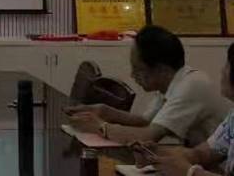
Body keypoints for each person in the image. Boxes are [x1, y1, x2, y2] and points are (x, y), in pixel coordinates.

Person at [66, 25, 231, 146]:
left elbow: (147, 136)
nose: (132, 75)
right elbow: (145, 121)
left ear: (161, 69)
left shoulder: (192, 85)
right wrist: (104, 111)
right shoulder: (172, 82)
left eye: (138, 69)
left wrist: (100, 127)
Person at [132, 42, 234, 176]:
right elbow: (201, 154)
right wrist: (158, 154)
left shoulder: (193, 83)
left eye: (227, 66)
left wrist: (190, 172)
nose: (222, 71)